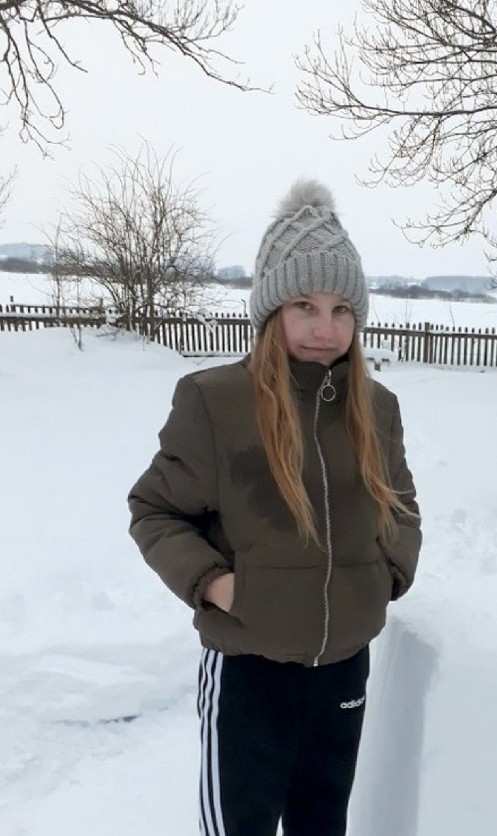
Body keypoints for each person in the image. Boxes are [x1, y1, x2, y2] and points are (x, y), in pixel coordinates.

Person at [128, 180, 421, 836]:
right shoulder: (215, 402)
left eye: (343, 308)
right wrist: (218, 585)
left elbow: (399, 505)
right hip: (248, 671)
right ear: (270, 310)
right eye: (305, 304)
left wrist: (385, 577)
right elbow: (155, 510)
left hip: (343, 666)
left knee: (323, 823)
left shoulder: (377, 410)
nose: (326, 327)